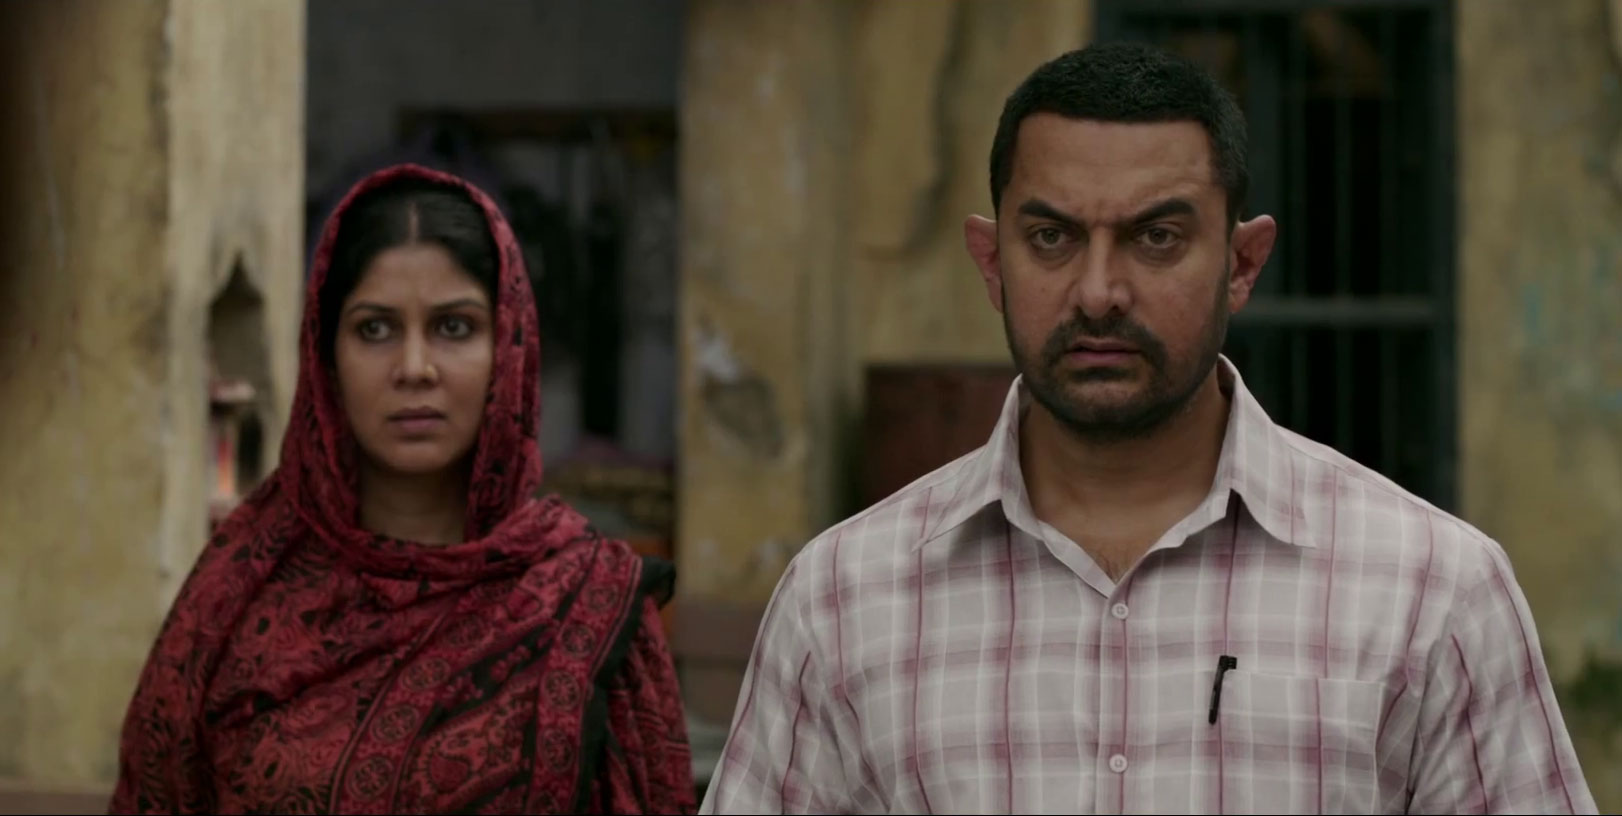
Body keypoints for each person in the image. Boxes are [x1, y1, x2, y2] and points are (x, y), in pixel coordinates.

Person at [700, 42, 1595, 815]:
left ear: (1242, 263)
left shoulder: (1431, 592)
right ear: (991, 261)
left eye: (1157, 237)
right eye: (1051, 238)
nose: (1098, 292)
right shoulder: (843, 600)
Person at [110, 164, 696, 815]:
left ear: (509, 349)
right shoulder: (237, 591)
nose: (414, 369)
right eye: (375, 329)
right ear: (326, 358)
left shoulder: (589, 602)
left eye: (454, 327)